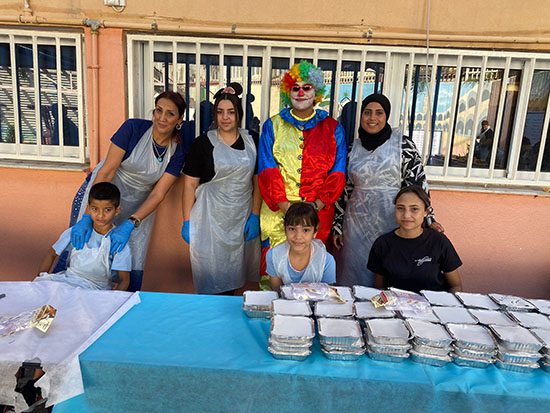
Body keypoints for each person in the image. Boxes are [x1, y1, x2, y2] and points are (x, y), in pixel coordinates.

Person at [64, 91, 189, 292]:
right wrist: (88, 216)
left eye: (170, 114)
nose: (162, 118)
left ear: (180, 120)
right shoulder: (133, 129)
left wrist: (131, 223)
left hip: (140, 206)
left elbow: (158, 194)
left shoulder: (177, 150)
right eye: (158, 110)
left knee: (131, 260)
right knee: (79, 247)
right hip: (100, 196)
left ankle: (122, 304)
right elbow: (107, 171)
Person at [333, 93, 444, 287]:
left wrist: (429, 219)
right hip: (356, 227)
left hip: (392, 224)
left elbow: (418, 186)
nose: (372, 118)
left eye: (379, 113)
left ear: (387, 116)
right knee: (356, 277)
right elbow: (344, 191)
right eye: (367, 112)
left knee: (389, 276)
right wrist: (337, 225)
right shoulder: (352, 149)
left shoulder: (403, 146)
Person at [258, 60, 347, 275]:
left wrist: (316, 206)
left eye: (306, 88)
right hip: (277, 212)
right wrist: (286, 207)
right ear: (287, 92)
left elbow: (338, 172)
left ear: (316, 93)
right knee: (273, 270)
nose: (300, 93)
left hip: (318, 213)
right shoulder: (272, 125)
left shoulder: (333, 128)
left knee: (312, 272)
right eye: (295, 88)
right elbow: (267, 169)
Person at [181, 83, 261, 295]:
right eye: (220, 112)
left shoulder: (253, 140)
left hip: (241, 217)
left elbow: (258, 181)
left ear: (239, 114)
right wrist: (187, 221)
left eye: (231, 112)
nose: (225, 118)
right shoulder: (202, 144)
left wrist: (255, 215)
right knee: (210, 276)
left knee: (235, 273)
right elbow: (189, 184)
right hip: (209, 219)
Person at [35, 182, 131, 290]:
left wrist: (111, 299)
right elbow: (51, 254)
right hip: (67, 282)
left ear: (117, 210)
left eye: (107, 210)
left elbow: (124, 280)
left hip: (97, 290)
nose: (100, 215)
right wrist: (39, 281)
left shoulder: (118, 241)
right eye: (95, 209)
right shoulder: (77, 232)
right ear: (88, 208)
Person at [368, 186, 463, 293]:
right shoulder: (382, 244)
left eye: (414, 209)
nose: (406, 215)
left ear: (426, 212)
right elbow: (379, 288)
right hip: (396, 302)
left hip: (432, 303)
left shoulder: (439, 241)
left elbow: (456, 286)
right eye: (400, 208)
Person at [267, 203, 336, 292]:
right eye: (292, 229)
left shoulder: (326, 261)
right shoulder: (273, 256)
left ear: (315, 231)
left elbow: (326, 295)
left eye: (306, 230)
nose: (298, 237)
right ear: (285, 229)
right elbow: (277, 292)